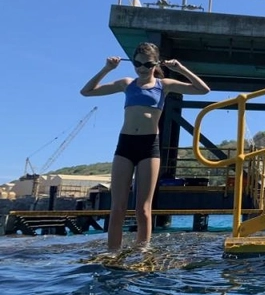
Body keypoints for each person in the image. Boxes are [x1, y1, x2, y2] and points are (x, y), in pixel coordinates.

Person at [80, 42, 210, 251]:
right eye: (137, 63)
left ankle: (142, 252)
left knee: (143, 208)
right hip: (125, 145)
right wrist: (107, 69)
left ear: (155, 64)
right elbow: (86, 92)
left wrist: (180, 69)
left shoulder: (164, 85)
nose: (142, 68)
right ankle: (112, 253)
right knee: (118, 208)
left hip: (150, 147)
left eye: (147, 64)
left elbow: (203, 90)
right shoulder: (126, 83)